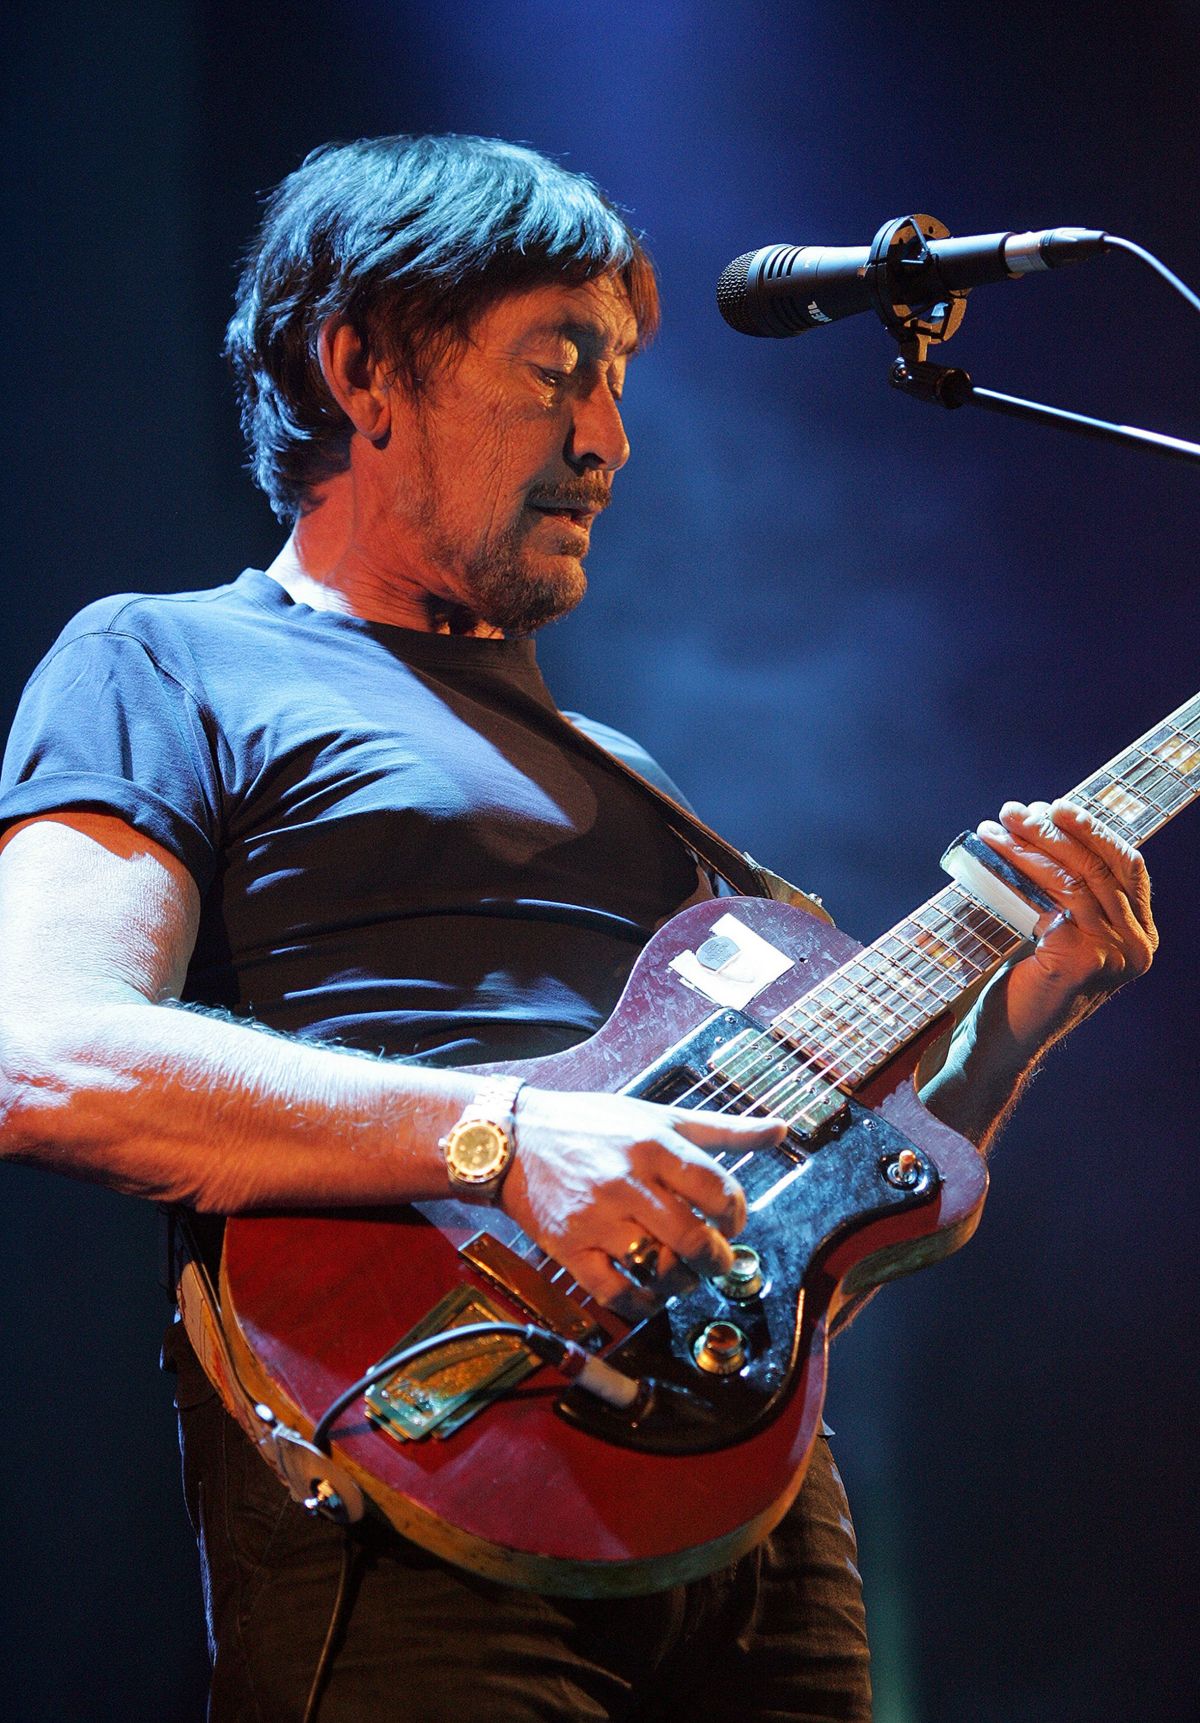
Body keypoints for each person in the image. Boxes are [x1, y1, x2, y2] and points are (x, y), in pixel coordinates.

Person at [0, 135, 1156, 1721]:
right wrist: (507, 1140)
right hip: (417, 1459)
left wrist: (1022, 1018)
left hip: (750, 1515)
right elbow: (43, 1057)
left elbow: (803, 1240)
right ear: (361, 369)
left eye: (616, 382)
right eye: (558, 370)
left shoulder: (637, 786)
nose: (608, 437)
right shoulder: (165, 660)